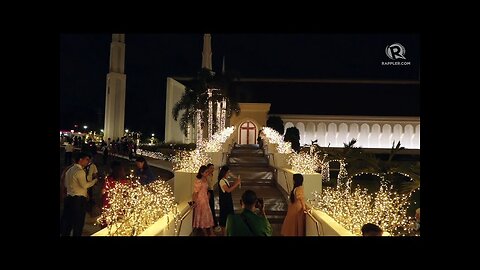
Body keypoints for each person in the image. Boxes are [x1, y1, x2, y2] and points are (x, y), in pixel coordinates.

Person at [60, 152, 98, 236]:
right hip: (78, 200)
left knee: (68, 222)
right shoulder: (80, 171)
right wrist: (94, 181)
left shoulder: (69, 170)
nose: (88, 162)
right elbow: (84, 185)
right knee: (78, 223)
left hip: (69, 198)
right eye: (87, 159)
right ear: (80, 160)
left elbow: (66, 184)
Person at [217, 165, 241, 235]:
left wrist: (236, 181)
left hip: (227, 201)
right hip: (224, 202)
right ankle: (224, 233)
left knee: (229, 216)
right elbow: (228, 190)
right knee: (224, 217)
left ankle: (227, 232)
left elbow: (229, 187)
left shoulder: (225, 180)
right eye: (228, 172)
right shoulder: (221, 181)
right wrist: (236, 183)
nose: (229, 174)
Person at [192, 165, 215, 236]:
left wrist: (208, 194)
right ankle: (206, 233)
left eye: (207, 172)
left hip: (205, 199)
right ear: (202, 173)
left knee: (208, 215)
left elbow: (206, 189)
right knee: (203, 216)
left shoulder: (205, 179)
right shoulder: (198, 181)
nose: (207, 173)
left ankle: (211, 233)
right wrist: (195, 202)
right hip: (201, 200)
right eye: (206, 172)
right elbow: (195, 193)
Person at [205, 163, 219, 230]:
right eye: (211, 168)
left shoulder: (211, 175)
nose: (212, 169)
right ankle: (212, 224)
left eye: (213, 168)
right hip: (208, 192)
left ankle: (213, 223)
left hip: (211, 191)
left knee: (212, 207)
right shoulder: (206, 176)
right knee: (210, 208)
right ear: (207, 169)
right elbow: (207, 185)